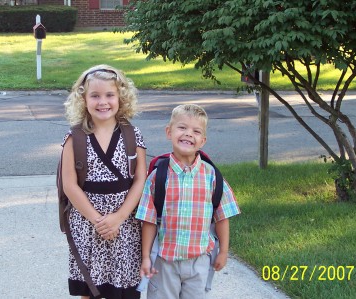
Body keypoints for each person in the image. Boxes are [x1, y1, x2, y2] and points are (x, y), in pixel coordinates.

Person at [135, 104, 240, 299]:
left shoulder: (212, 177)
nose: (188, 134)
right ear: (169, 132)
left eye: (196, 131)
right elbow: (149, 220)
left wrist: (223, 251)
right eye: (182, 128)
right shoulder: (158, 177)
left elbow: (222, 217)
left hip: (198, 262)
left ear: (203, 140)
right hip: (164, 262)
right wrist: (146, 257)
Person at [62, 64, 147, 299]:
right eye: (95, 96)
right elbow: (70, 185)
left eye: (110, 95)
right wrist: (99, 221)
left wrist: (117, 218)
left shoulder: (132, 134)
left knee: (125, 288)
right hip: (87, 225)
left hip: (125, 225)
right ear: (83, 99)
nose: (103, 102)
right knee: (91, 289)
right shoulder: (74, 137)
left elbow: (140, 179)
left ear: (121, 97)